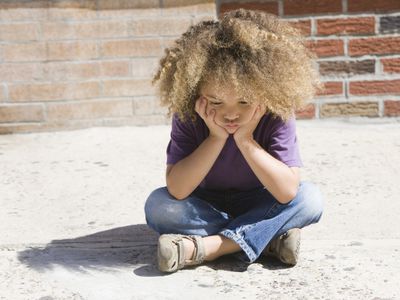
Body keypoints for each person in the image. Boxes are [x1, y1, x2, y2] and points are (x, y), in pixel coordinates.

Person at [144, 8, 325, 273]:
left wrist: (245, 139)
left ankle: (204, 248)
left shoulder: (276, 113)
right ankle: (266, 238)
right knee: (159, 207)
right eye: (216, 102)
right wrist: (216, 137)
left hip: (260, 200)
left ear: (265, 92)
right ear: (197, 92)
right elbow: (178, 190)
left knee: (309, 199)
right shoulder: (189, 114)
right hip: (205, 203)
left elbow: (286, 191)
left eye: (244, 101)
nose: (231, 113)